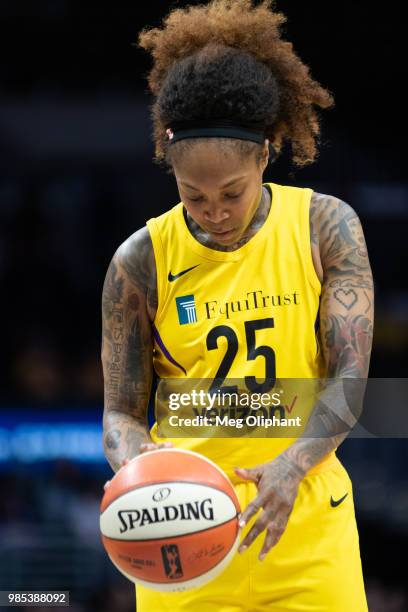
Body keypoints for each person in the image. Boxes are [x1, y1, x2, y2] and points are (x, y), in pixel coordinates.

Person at [101, 1, 374, 610]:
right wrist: (134, 464)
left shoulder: (326, 226)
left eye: (232, 193)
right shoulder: (138, 259)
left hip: (306, 522)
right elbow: (120, 412)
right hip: (183, 528)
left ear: (265, 154)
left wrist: (290, 466)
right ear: (169, 167)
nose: (215, 211)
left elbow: (349, 381)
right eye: (192, 195)